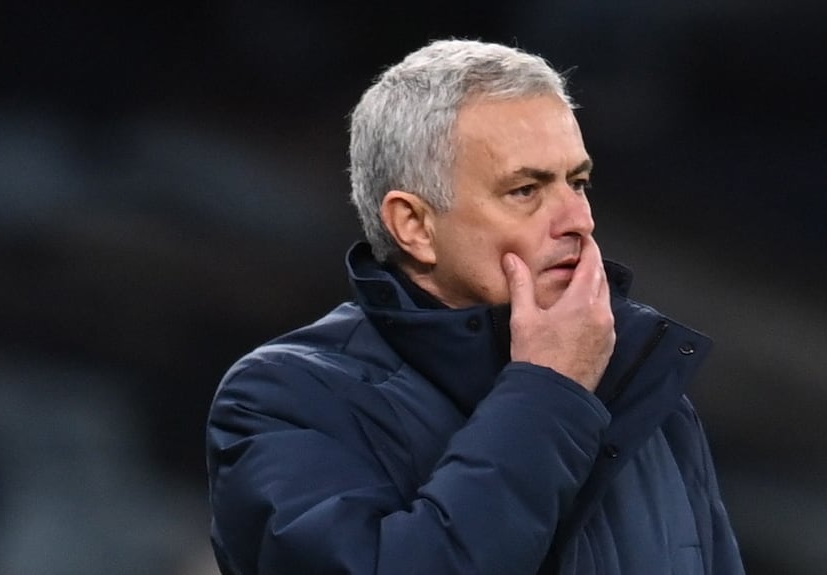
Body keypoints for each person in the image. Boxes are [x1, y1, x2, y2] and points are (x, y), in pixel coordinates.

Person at [206, 39, 744, 575]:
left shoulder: (641, 387)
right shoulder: (283, 399)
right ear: (414, 225)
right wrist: (547, 390)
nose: (579, 219)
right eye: (526, 190)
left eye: (577, 182)